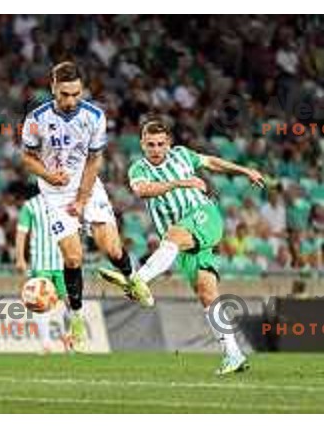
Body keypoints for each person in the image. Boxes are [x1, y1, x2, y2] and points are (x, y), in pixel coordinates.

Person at [107, 118, 265, 375]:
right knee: (207, 293)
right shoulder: (138, 169)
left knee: (172, 236)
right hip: (182, 240)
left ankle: (138, 279)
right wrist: (180, 183)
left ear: (169, 143)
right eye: (150, 145)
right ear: (142, 145)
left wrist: (244, 171)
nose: (156, 149)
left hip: (203, 216)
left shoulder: (181, 155)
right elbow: (143, 191)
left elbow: (212, 162)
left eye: (160, 144)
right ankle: (234, 354)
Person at [21, 61, 133, 351]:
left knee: (112, 249)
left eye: (76, 94)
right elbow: (27, 157)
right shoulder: (36, 119)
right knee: (73, 258)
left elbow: (95, 160)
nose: (70, 100)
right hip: (55, 193)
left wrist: (82, 199)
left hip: (88, 185)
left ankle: (133, 279)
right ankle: (78, 321)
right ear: (53, 89)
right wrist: (48, 175)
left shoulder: (95, 116)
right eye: (64, 94)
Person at [15, 193, 74, 352]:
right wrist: (20, 257)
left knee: (71, 302)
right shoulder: (31, 205)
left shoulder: (67, 202)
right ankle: (46, 344)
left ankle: (69, 339)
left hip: (63, 261)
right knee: (39, 302)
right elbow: (22, 232)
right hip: (41, 262)